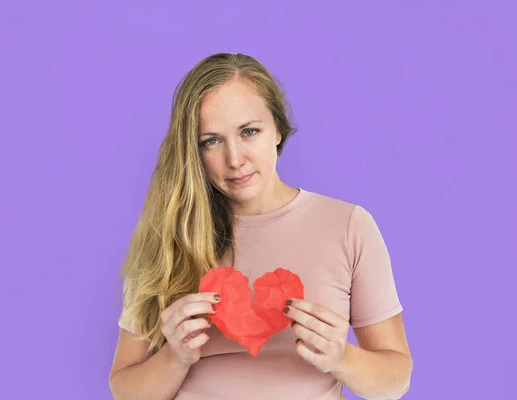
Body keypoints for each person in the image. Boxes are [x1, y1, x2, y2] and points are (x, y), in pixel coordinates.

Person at [108, 52, 413, 400]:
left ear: (278, 130)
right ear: (194, 150)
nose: (235, 159)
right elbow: (124, 389)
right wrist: (174, 357)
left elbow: (395, 381)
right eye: (212, 140)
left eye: (249, 132)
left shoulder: (348, 226)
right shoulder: (169, 237)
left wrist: (342, 358)